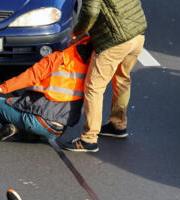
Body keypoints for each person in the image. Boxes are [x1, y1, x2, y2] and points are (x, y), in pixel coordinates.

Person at [60, 0, 147, 152]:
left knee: (94, 87)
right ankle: (118, 124)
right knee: (122, 80)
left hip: (114, 41)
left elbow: (90, 12)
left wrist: (78, 31)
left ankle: (89, 139)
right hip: (136, 34)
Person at [0, 37, 93, 142]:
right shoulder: (92, 66)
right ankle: (27, 134)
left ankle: (18, 130)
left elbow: (31, 76)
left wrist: (3, 88)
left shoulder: (58, 58)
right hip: (57, 130)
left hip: (38, 121)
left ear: (73, 40)